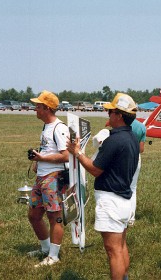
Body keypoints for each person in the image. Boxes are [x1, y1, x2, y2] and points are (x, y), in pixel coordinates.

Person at [67, 93, 139, 280]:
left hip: (111, 201)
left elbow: (95, 169)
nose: (108, 114)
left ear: (119, 115)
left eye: (110, 111)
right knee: (121, 246)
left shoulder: (114, 140)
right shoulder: (131, 137)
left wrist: (77, 153)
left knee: (113, 250)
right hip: (123, 200)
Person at [27, 90, 70, 267]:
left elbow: (66, 156)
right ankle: (45, 248)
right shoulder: (46, 126)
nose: (34, 109)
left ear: (46, 108)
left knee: (55, 217)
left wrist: (42, 159)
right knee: (34, 215)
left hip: (54, 178)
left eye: (37, 106)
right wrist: (39, 159)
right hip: (42, 176)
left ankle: (54, 256)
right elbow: (49, 149)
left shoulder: (59, 128)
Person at [129, 119, 146, 226]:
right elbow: (141, 149)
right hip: (135, 157)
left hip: (121, 156)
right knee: (133, 188)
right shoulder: (141, 127)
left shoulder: (120, 123)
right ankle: (131, 218)